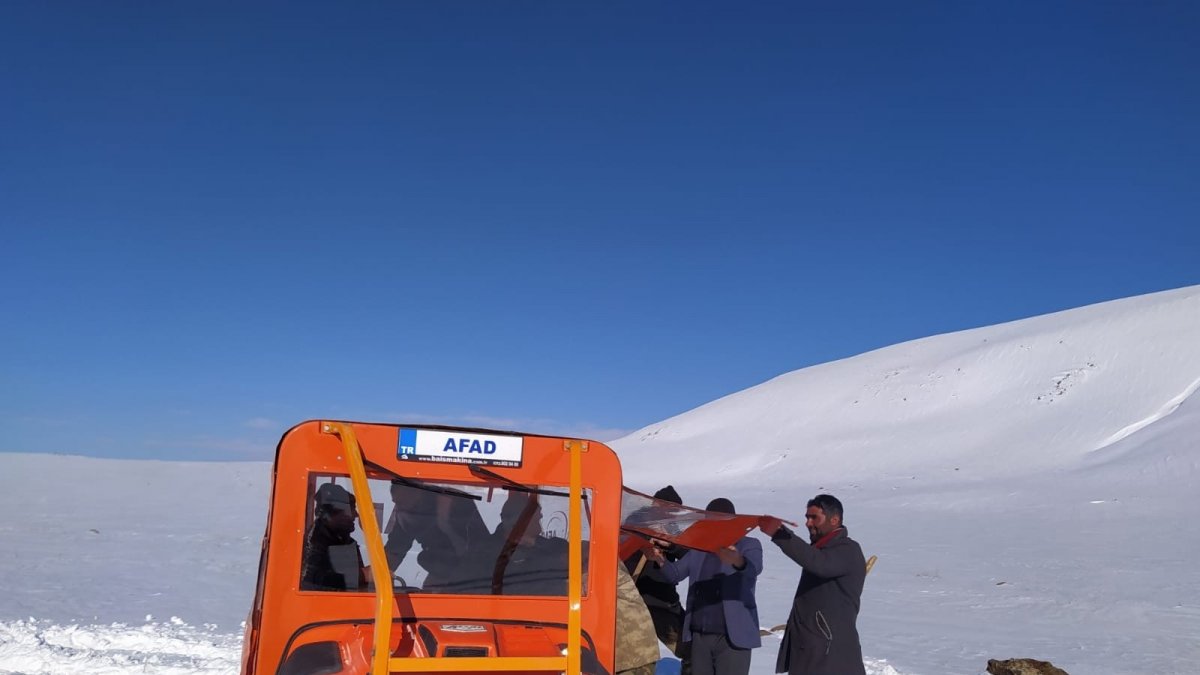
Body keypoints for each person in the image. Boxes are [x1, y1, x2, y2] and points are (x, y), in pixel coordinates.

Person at [650, 498, 762, 675]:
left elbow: (753, 569)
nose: (714, 525)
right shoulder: (699, 548)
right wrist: (659, 560)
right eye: (709, 520)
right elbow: (675, 574)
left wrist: (737, 561)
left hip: (731, 638)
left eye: (719, 520)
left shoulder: (748, 545)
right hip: (700, 637)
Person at [758, 494, 866, 675]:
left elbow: (819, 564)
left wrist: (780, 535)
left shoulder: (848, 549)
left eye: (814, 517)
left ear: (834, 520)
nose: (808, 523)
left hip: (831, 655)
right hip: (810, 652)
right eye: (807, 517)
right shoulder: (820, 550)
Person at [622, 485, 689, 670]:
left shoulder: (671, 529)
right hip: (635, 599)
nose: (672, 515)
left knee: (690, 648)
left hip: (664, 600)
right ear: (656, 504)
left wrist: (669, 544)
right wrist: (645, 540)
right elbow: (623, 551)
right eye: (670, 510)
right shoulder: (635, 523)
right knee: (640, 656)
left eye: (674, 512)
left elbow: (689, 554)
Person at [384, 480, 489, 592]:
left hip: (474, 573)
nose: (398, 507)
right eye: (396, 502)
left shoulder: (453, 502)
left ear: (417, 493)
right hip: (439, 566)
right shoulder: (405, 514)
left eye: (402, 501)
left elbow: (480, 547)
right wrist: (380, 573)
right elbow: (395, 548)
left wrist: (456, 577)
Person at [301, 482, 366, 591]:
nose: (355, 514)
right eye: (350, 510)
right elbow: (310, 579)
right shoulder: (314, 542)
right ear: (330, 515)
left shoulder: (347, 543)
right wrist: (362, 576)